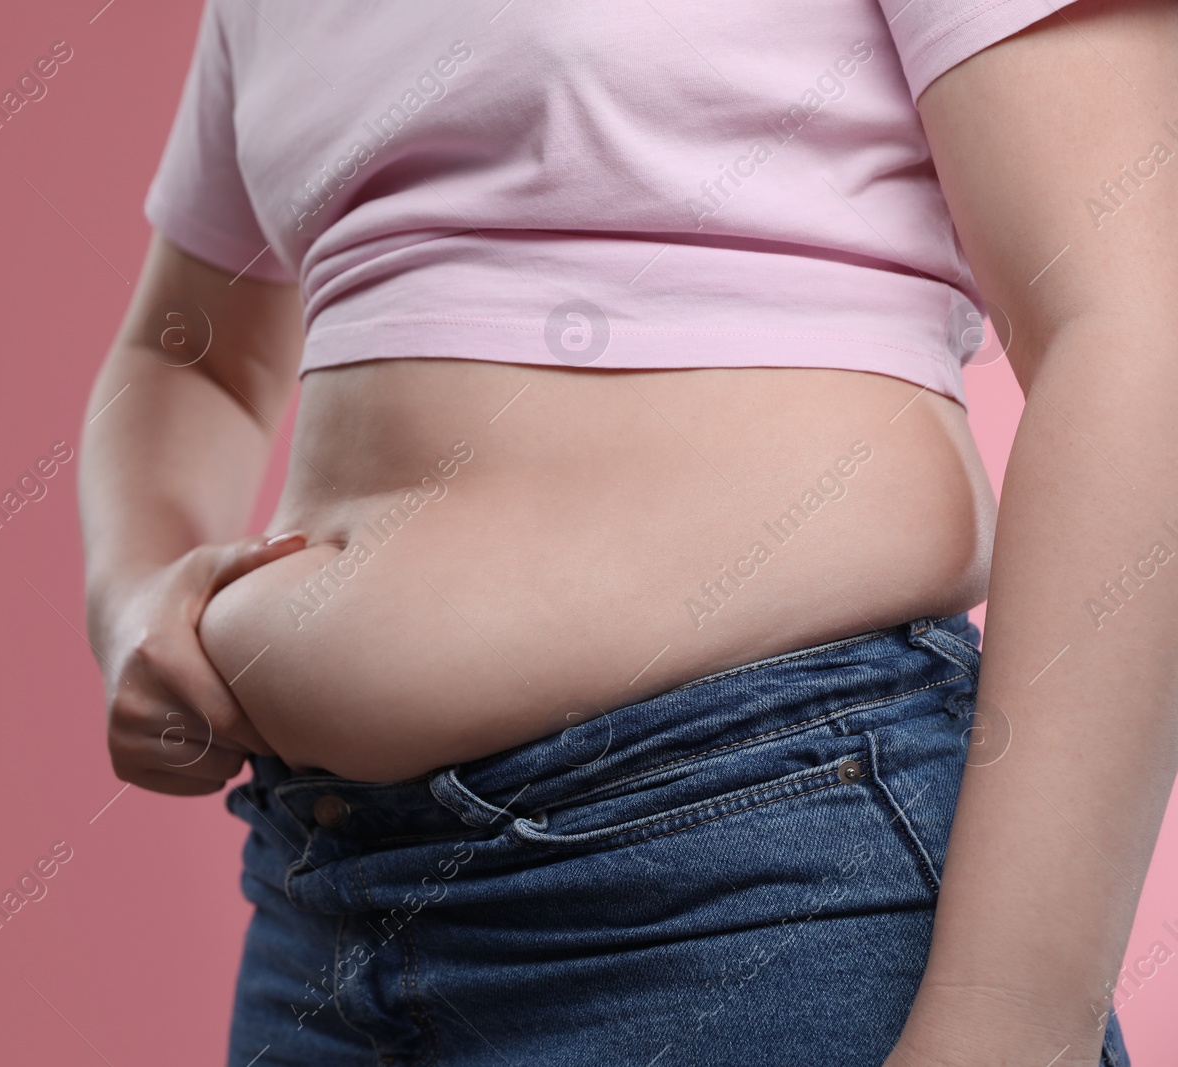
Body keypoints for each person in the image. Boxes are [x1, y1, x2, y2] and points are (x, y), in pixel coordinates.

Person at [76, 0, 1177, 1062]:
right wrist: (133, 594)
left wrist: (1011, 1018)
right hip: (320, 911)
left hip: (752, 876)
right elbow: (191, 353)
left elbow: (1136, 324)